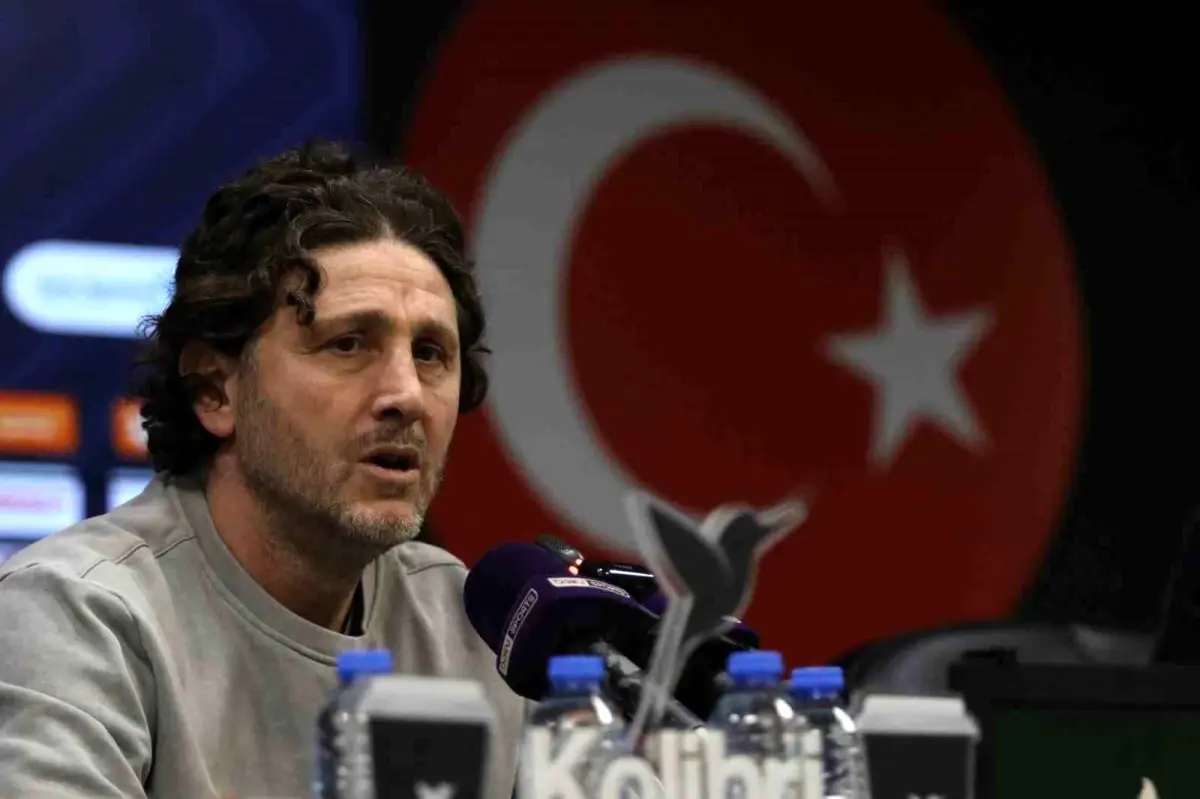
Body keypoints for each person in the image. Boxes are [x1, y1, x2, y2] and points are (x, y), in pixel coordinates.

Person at [0, 141, 526, 798]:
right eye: (347, 343)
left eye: (430, 353)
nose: (407, 394)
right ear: (215, 389)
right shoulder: (77, 615)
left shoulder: (472, 626)